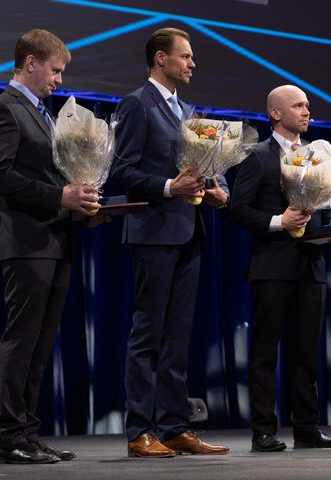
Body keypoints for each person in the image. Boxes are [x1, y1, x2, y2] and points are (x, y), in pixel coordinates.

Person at [0, 29, 105, 464]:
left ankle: (27, 433)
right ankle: (8, 436)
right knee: (21, 341)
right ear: (30, 63)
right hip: (26, 242)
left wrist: (81, 204)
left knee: (40, 344)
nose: (59, 81)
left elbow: (54, 177)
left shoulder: (45, 116)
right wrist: (60, 197)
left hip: (56, 239)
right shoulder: (3, 109)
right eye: (55, 70)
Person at [109, 27, 229, 458]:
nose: (192, 63)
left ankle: (175, 426)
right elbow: (120, 172)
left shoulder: (190, 113)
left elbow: (207, 168)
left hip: (189, 233)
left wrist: (219, 191)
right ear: (161, 59)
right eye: (185, 56)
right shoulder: (136, 105)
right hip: (153, 233)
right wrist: (167, 187)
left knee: (178, 337)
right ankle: (141, 430)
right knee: (148, 335)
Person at [229, 85, 331, 453]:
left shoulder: (317, 155)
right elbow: (237, 210)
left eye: (308, 106)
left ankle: (307, 428)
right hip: (272, 267)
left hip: (311, 266)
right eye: (298, 105)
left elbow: (327, 203)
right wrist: (279, 221)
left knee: (306, 352)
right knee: (265, 353)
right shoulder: (257, 157)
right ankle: (263, 430)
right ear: (276, 113)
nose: (306, 111)